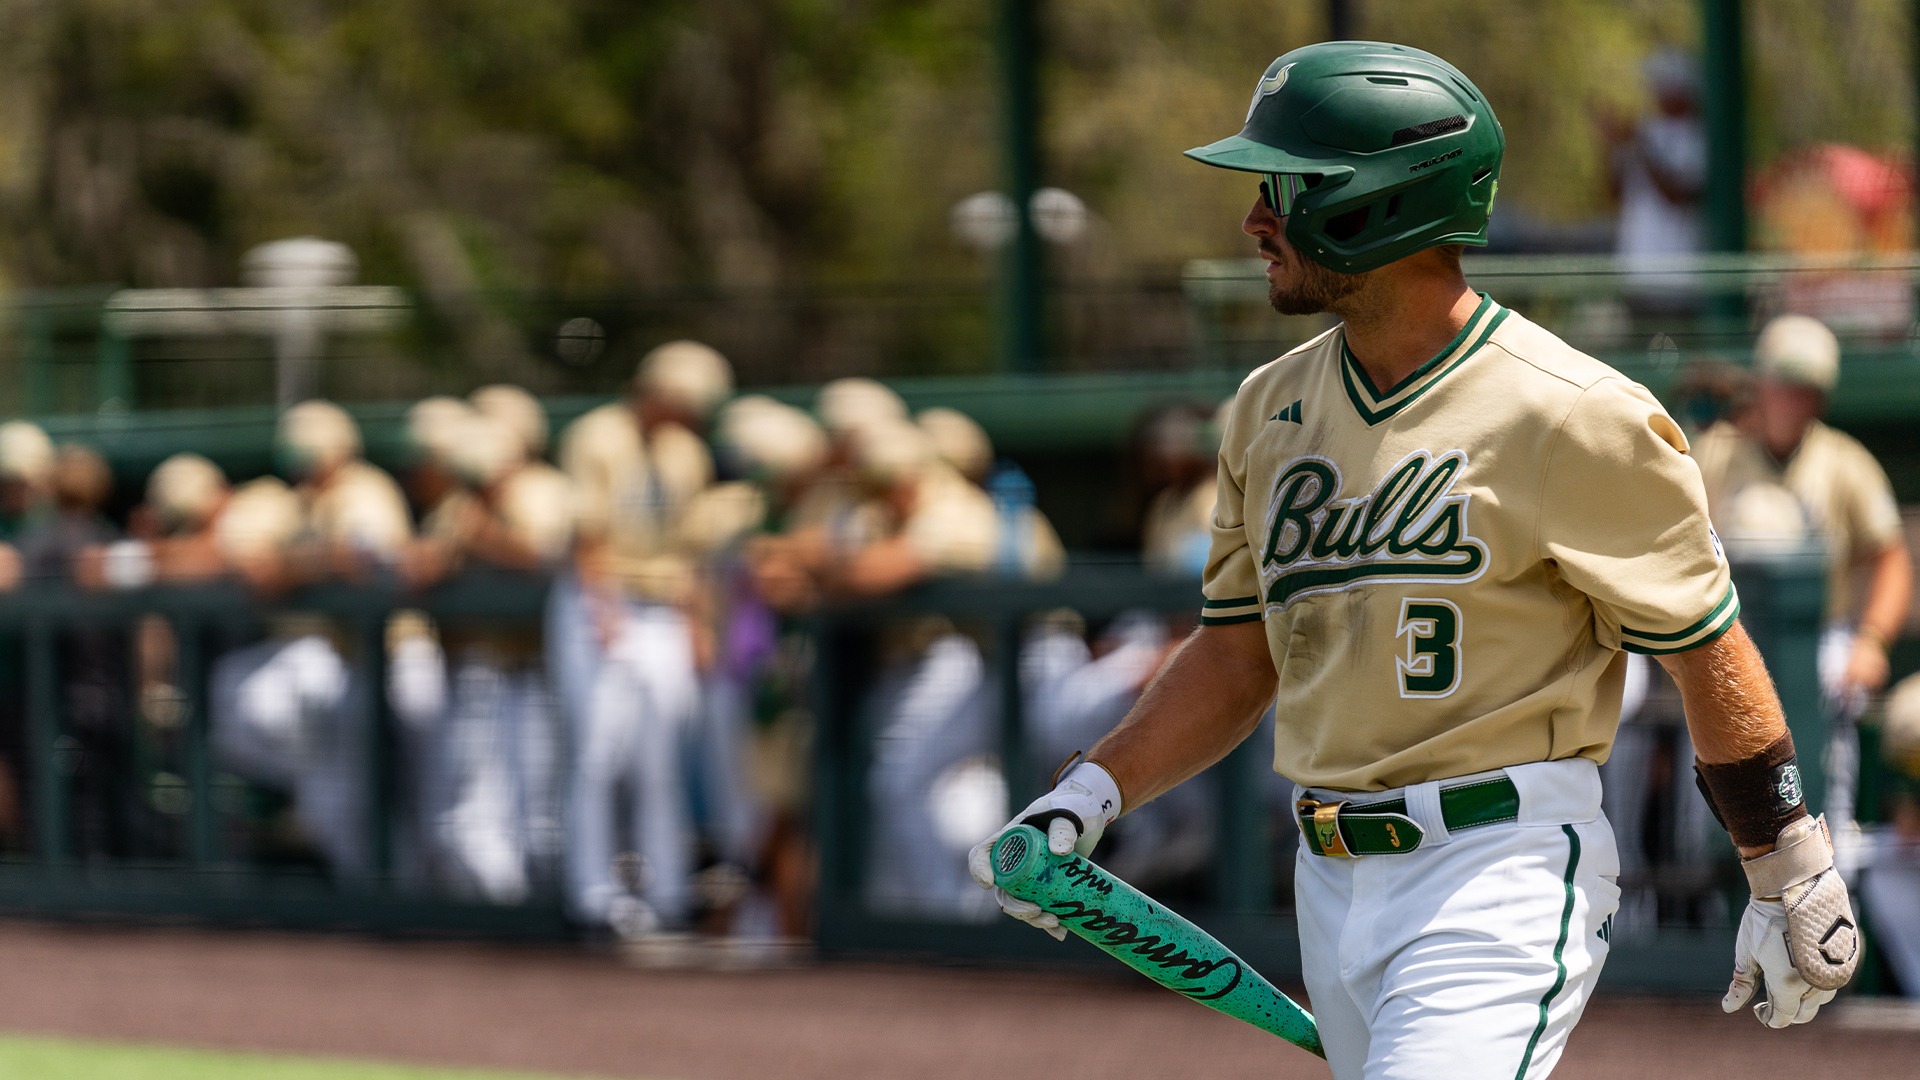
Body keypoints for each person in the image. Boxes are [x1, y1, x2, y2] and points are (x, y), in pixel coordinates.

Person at [969, 41, 1859, 1079]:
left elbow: (1708, 651)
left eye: (1290, 185)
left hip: (1499, 870)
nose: (1258, 217)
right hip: (1329, 876)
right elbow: (1236, 655)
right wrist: (1092, 792)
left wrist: (1787, 865)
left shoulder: (1573, 412)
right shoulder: (1267, 409)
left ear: (1379, 202)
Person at [1694, 313, 1914, 871]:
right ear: (1761, 384)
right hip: (1724, 633)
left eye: (1806, 387)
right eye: (1784, 383)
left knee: (1834, 684)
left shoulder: (1842, 461)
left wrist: (1871, 641)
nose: (1794, 398)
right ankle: (1682, 886)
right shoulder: (1718, 452)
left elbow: (1890, 559)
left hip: (1819, 634)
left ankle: (1826, 857)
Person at [553, 340, 733, 936]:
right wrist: (603, 610)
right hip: (602, 598)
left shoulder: (685, 451)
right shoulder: (597, 434)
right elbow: (588, 532)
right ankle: (592, 893)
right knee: (598, 755)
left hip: (663, 606)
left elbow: (692, 546)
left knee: (662, 756)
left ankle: (667, 893)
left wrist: (698, 624)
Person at [1602, 48, 1706, 318]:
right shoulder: (1647, 130)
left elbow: (1677, 195)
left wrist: (1639, 145)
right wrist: (1609, 146)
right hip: (1637, 269)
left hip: (1679, 275)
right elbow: (1613, 194)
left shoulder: (1700, 136)